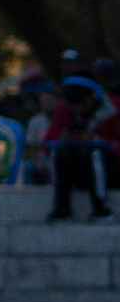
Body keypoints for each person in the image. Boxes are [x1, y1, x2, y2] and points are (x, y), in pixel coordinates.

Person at [41, 71, 117, 224]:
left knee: (94, 152)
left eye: (81, 103)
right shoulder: (64, 110)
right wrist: (64, 137)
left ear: (92, 98)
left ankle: (101, 210)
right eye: (72, 105)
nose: (77, 109)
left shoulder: (112, 110)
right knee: (62, 151)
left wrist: (97, 140)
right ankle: (62, 209)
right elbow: (49, 142)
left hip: (109, 169)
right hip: (78, 171)